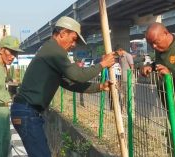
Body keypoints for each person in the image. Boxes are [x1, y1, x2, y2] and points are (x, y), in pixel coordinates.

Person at [10, 16, 115, 157]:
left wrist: (100, 87)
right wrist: (102, 64)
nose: (74, 44)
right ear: (62, 33)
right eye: (73, 39)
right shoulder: (54, 51)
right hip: (27, 112)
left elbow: (70, 83)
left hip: (27, 112)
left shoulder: (51, 51)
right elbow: (78, 75)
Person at [141, 22, 175, 157]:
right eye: (150, 44)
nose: (154, 46)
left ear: (166, 34)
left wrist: (172, 74)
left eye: (155, 42)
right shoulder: (159, 50)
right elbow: (162, 65)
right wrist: (151, 66)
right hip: (172, 107)